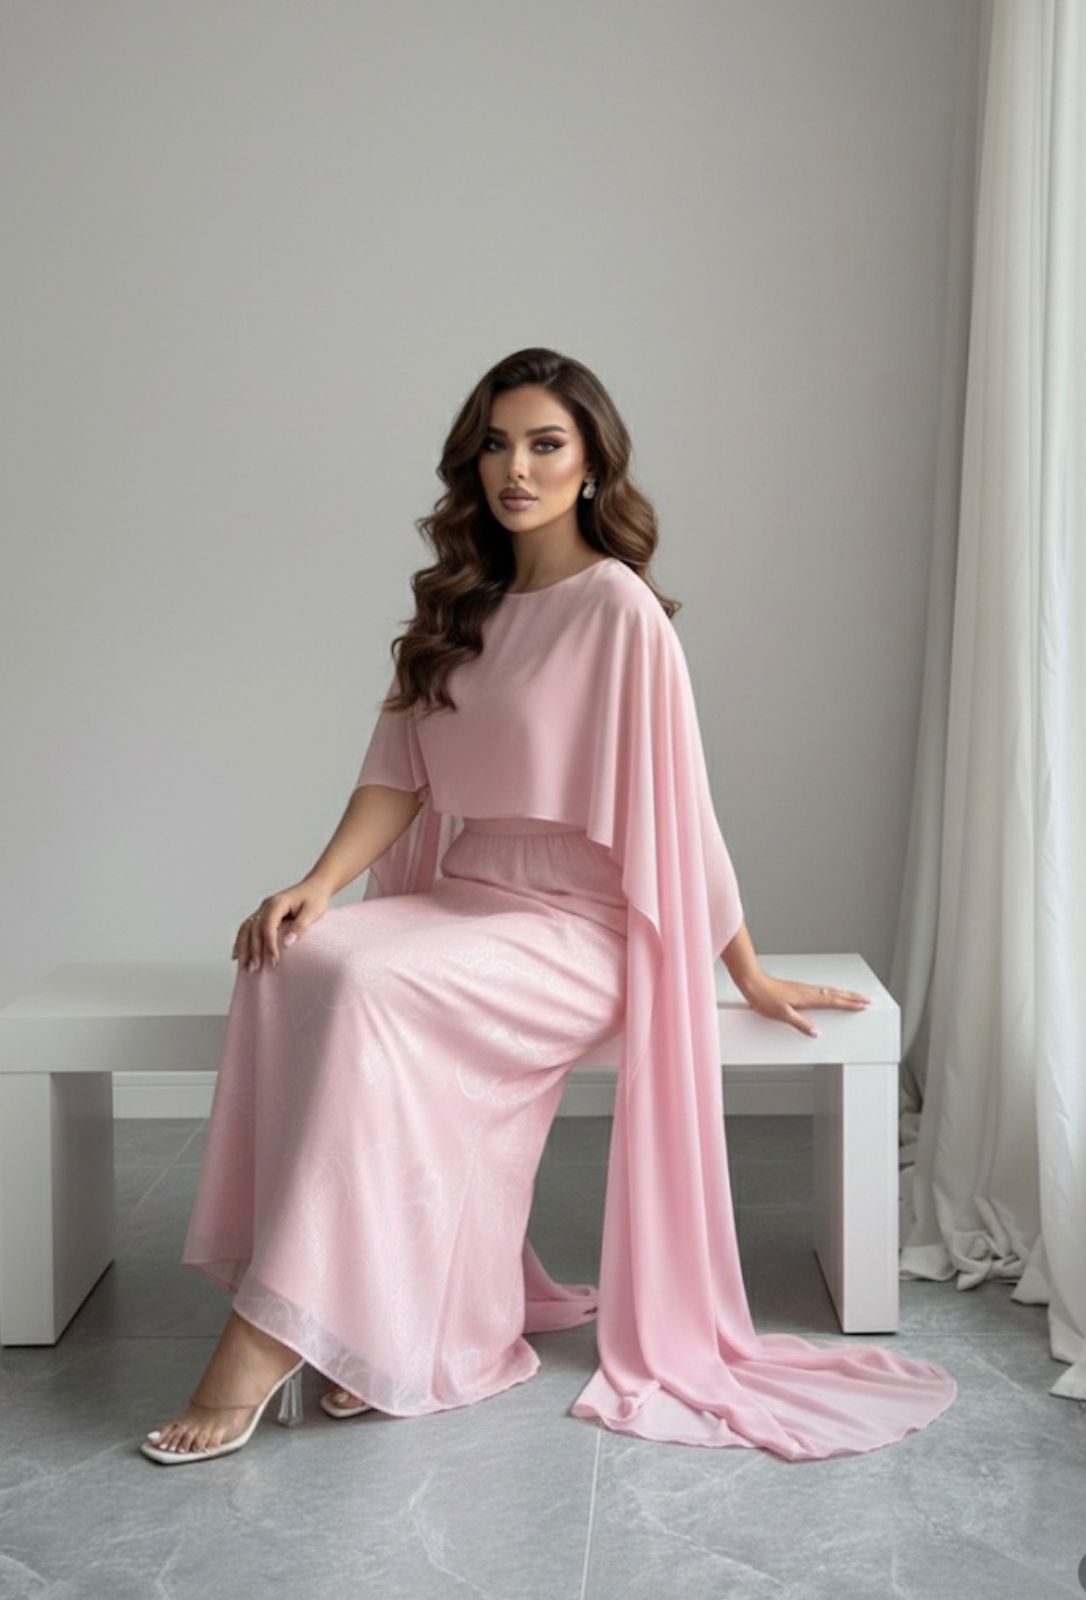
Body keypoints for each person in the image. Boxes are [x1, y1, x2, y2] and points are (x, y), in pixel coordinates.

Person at [140, 347, 956, 1464]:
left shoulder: (621, 613)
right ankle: (364, 1312)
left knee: (371, 987)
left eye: (545, 444)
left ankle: (268, 1332)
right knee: (290, 956)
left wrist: (747, 968)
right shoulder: (460, 607)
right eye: (495, 444)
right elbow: (395, 776)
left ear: (590, 465)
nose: (515, 468)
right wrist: (317, 884)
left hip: (579, 930)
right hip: (468, 900)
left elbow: (685, 817)